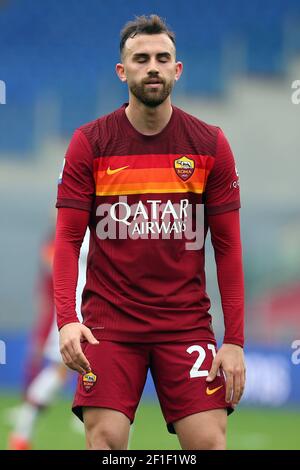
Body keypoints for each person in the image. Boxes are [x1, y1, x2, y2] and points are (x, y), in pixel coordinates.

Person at [54, 14, 246, 450]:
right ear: (123, 71)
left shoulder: (209, 144)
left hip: (185, 324)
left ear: (178, 70)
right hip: (109, 325)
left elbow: (229, 248)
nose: (153, 67)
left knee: (210, 444)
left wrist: (234, 340)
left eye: (163, 58)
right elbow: (66, 242)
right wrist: (67, 321)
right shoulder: (91, 143)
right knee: (106, 440)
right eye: (141, 59)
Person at [8, 229, 89, 450]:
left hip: (73, 308)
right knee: (63, 370)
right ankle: (22, 433)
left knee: (61, 370)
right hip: (85, 308)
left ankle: (21, 434)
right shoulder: (96, 225)